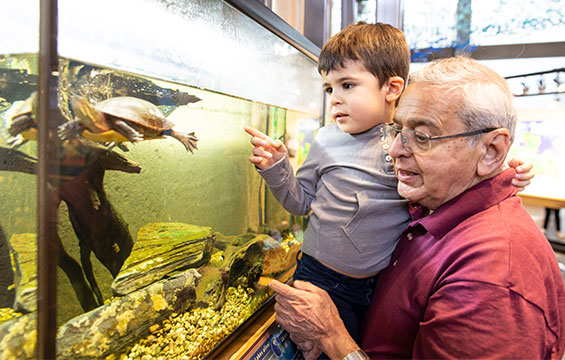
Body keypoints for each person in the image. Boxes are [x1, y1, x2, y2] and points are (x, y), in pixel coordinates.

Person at [245, 23, 534, 343]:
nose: (334, 100)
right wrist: (276, 168)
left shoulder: (408, 140)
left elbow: (461, 168)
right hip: (320, 275)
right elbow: (300, 202)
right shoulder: (326, 141)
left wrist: (508, 171)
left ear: (392, 88)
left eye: (348, 85)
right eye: (329, 88)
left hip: (378, 283)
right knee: (309, 344)